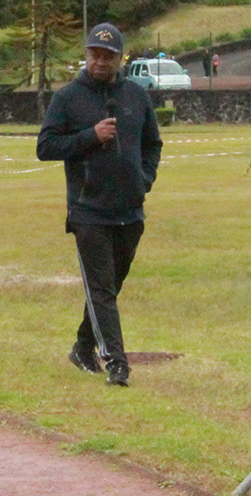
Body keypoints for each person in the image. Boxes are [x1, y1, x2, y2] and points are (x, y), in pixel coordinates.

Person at [36, 23, 162, 387]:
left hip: (130, 211)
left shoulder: (137, 97)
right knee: (101, 289)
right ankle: (118, 363)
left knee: (109, 287)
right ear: (86, 55)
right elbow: (45, 147)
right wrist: (91, 136)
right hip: (88, 211)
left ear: (120, 58)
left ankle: (82, 346)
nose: (100, 62)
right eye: (94, 54)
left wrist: (145, 179)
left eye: (108, 56)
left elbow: (153, 144)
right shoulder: (68, 98)